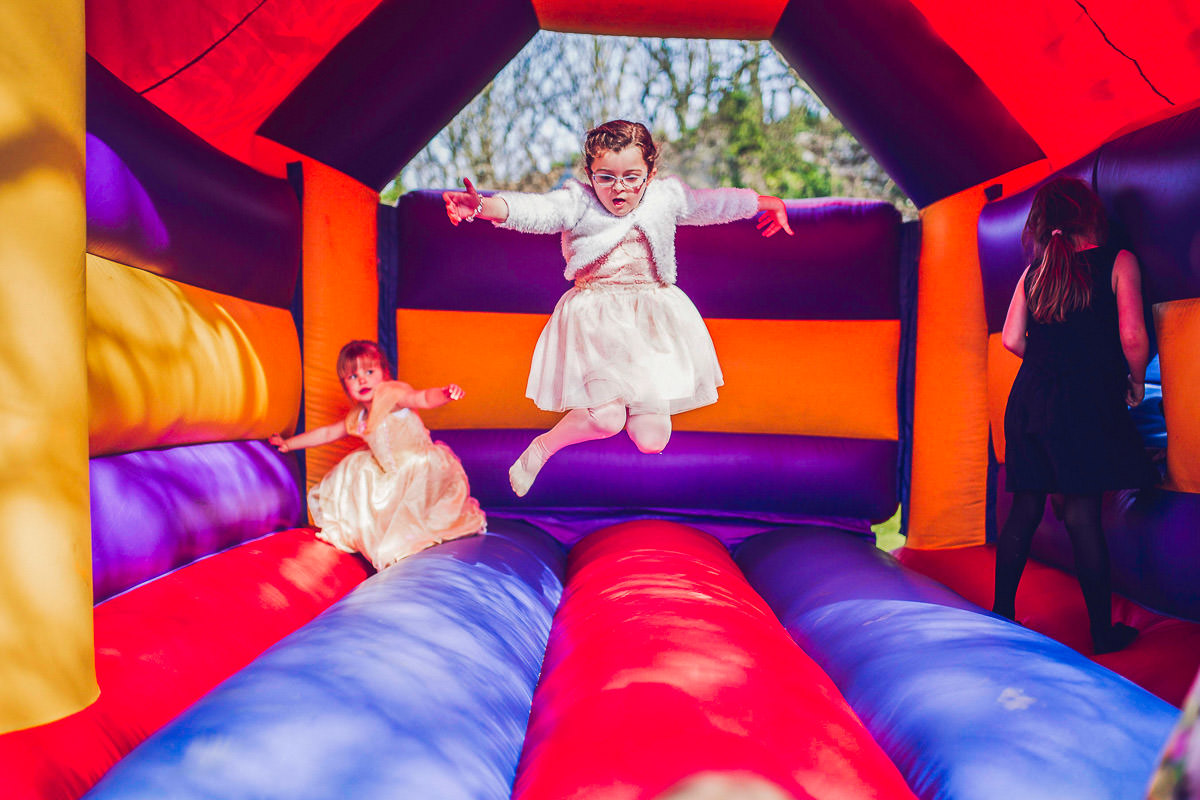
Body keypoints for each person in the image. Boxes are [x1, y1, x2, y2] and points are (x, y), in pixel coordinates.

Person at [443, 119, 793, 497]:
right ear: (590, 174)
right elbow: (536, 210)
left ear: (651, 172)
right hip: (598, 320)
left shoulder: (666, 197)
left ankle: (633, 407)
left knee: (651, 439)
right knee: (607, 419)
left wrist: (765, 202)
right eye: (606, 178)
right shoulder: (578, 202)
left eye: (631, 177)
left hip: (650, 320)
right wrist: (481, 205)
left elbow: (713, 203)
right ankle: (542, 447)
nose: (619, 188)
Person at [991, 176, 1158, 654]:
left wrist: (1050, 364)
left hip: (1026, 404)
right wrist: (1131, 380)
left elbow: (1010, 339)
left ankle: (1002, 612)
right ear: (1092, 216)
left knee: (1024, 509)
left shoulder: (1036, 272)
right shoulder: (1119, 262)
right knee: (1084, 514)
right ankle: (1101, 633)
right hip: (1082, 405)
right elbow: (1131, 336)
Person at [269, 340, 485, 570]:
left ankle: (411, 541)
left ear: (384, 373)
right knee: (359, 469)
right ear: (345, 384)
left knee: (417, 522)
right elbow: (328, 432)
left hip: (420, 470)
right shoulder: (359, 415)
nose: (362, 380)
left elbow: (421, 398)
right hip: (392, 478)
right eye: (352, 377)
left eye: (369, 372)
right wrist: (288, 444)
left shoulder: (392, 394)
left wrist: (444, 394)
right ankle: (370, 536)